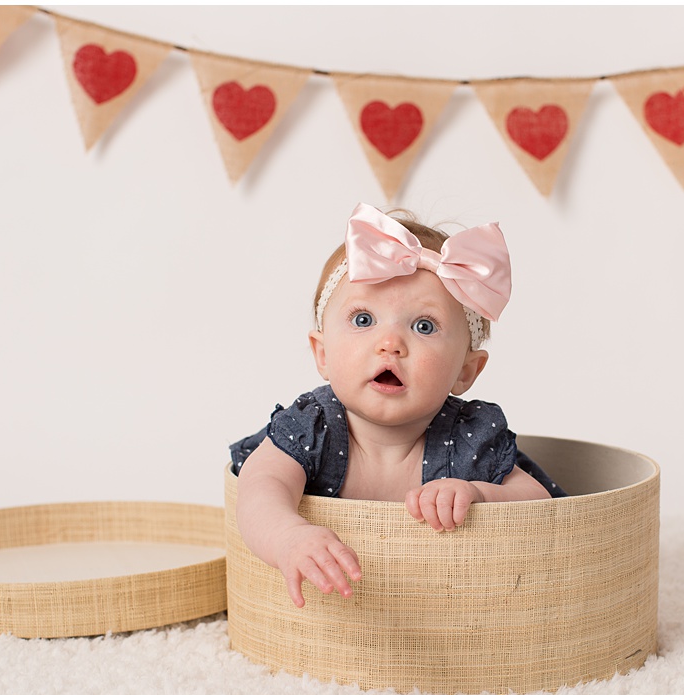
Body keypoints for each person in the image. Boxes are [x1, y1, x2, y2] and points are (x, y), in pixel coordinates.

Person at [229, 203, 566, 607]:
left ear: (465, 371)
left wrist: (478, 494)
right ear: (322, 354)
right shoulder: (311, 427)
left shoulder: (469, 437)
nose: (390, 343)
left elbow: (541, 503)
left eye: (424, 326)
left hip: (448, 611)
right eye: (363, 320)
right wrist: (288, 536)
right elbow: (259, 489)